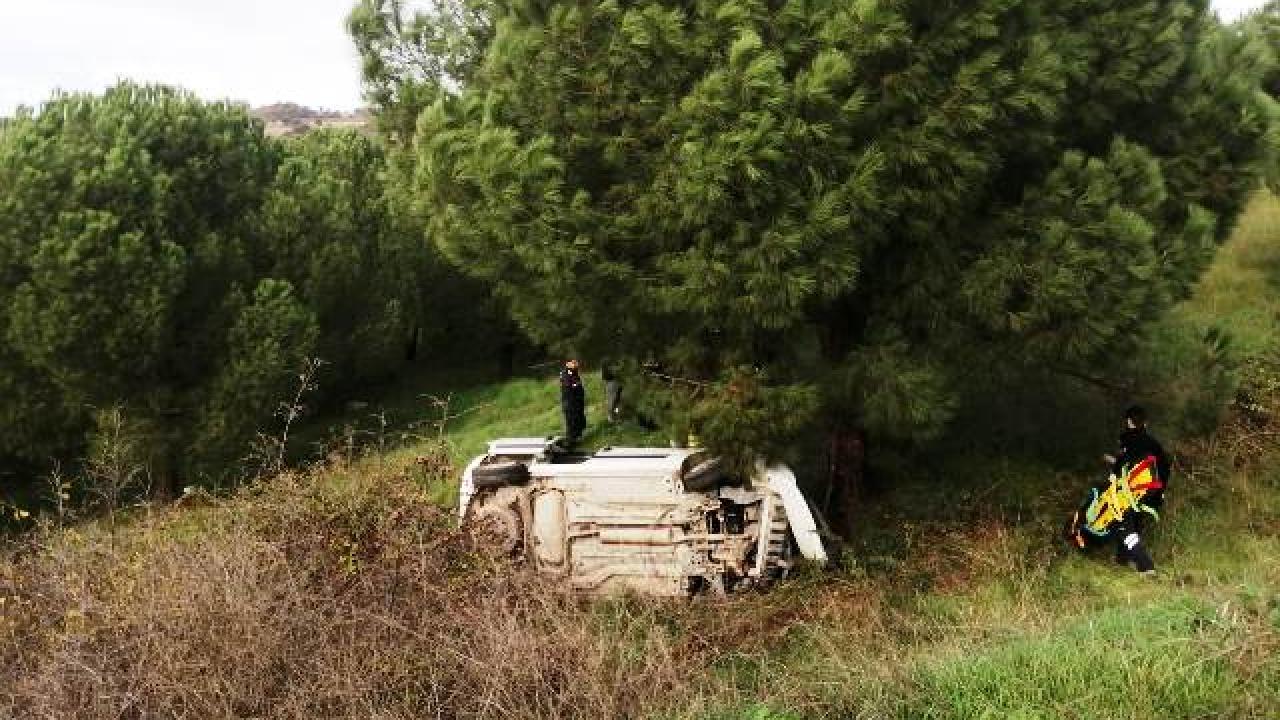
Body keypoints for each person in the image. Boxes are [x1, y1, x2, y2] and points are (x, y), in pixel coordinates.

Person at [1067, 405, 1170, 575]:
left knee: (1124, 528)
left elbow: (1122, 466)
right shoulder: (1154, 444)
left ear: (1129, 421)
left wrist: (1112, 464)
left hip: (1126, 494)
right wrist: (1159, 494)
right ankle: (1123, 560)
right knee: (1133, 524)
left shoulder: (1127, 439)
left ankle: (1146, 566)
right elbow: (1164, 469)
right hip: (1148, 493)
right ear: (1146, 423)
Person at [559, 359, 586, 443]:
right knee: (571, 419)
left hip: (577, 400)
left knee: (579, 417)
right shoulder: (564, 373)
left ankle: (578, 435)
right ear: (567, 364)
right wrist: (576, 384)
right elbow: (569, 385)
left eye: (575, 363)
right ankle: (571, 439)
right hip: (570, 401)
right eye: (573, 363)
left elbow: (577, 383)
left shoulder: (574, 372)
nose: (575, 364)